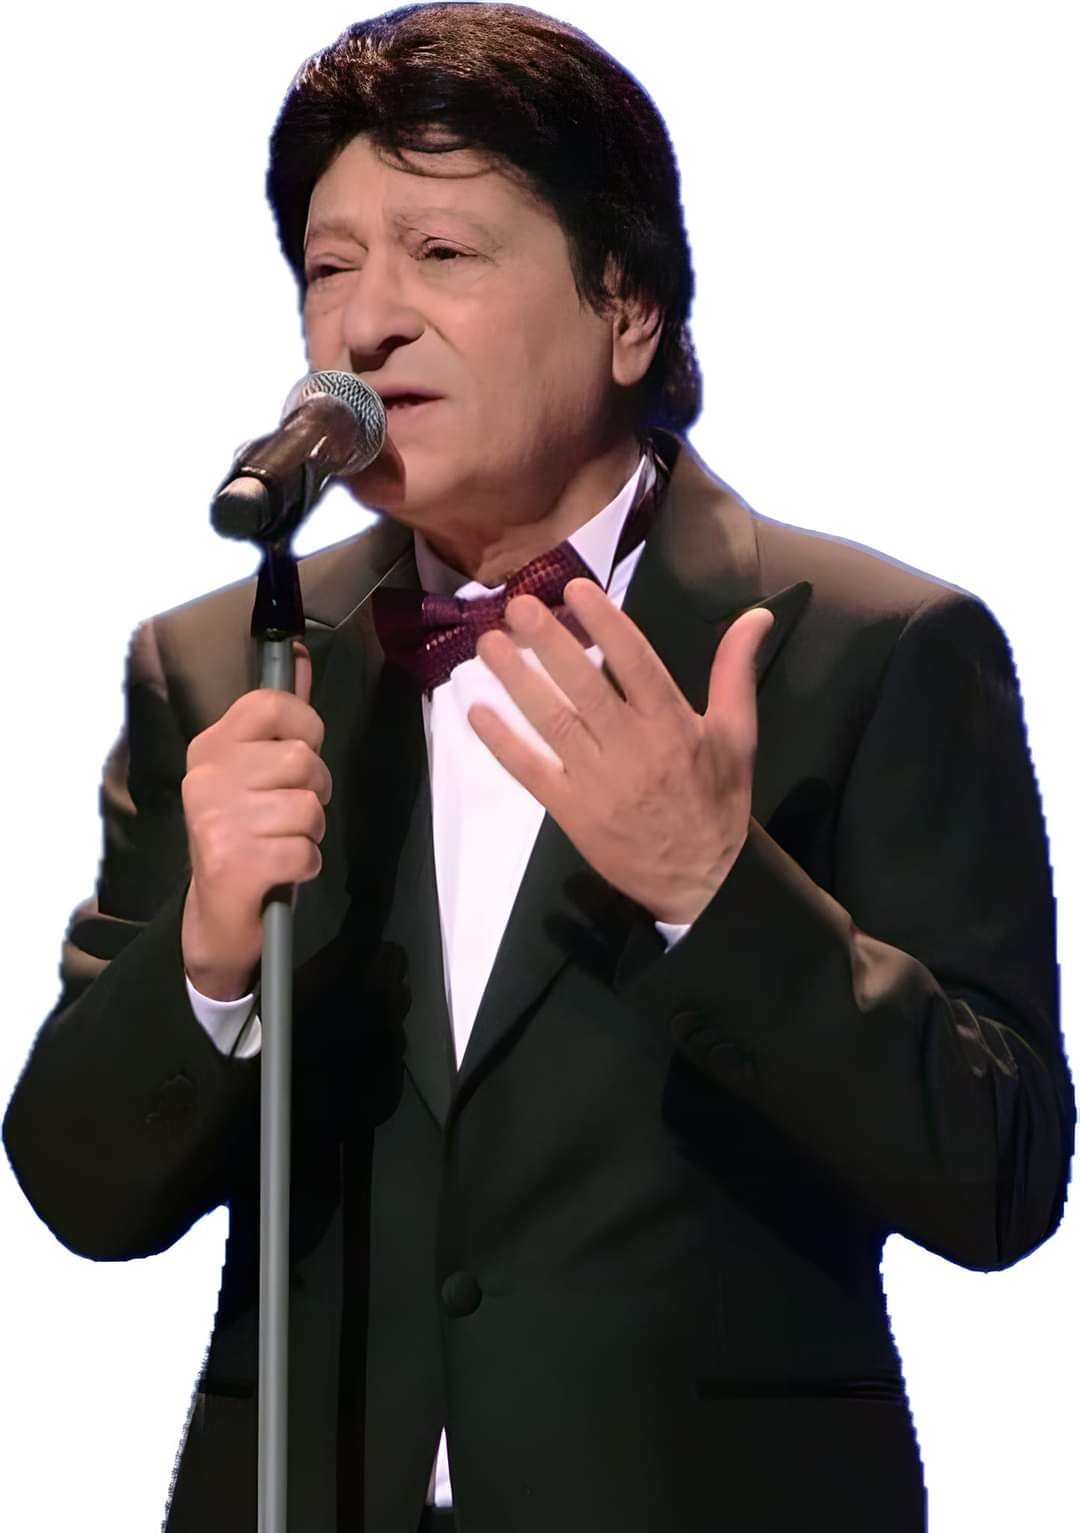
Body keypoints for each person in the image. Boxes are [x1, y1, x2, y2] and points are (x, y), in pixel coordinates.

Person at [3, 5, 1073, 1531]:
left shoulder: (876, 648)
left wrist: (716, 889)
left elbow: (1002, 1173)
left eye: (442, 252)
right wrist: (207, 960)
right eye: (328, 266)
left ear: (626, 305)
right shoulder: (226, 664)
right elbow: (80, 1191)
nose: (366, 323)